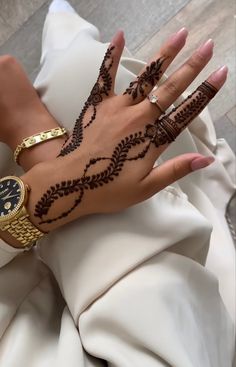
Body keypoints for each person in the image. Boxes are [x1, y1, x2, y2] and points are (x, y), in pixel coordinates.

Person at [0, 0, 235, 365]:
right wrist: (38, 140)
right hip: (102, 307)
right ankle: (63, 38)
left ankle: (62, 36)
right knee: (77, 75)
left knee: (91, 91)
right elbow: (168, 329)